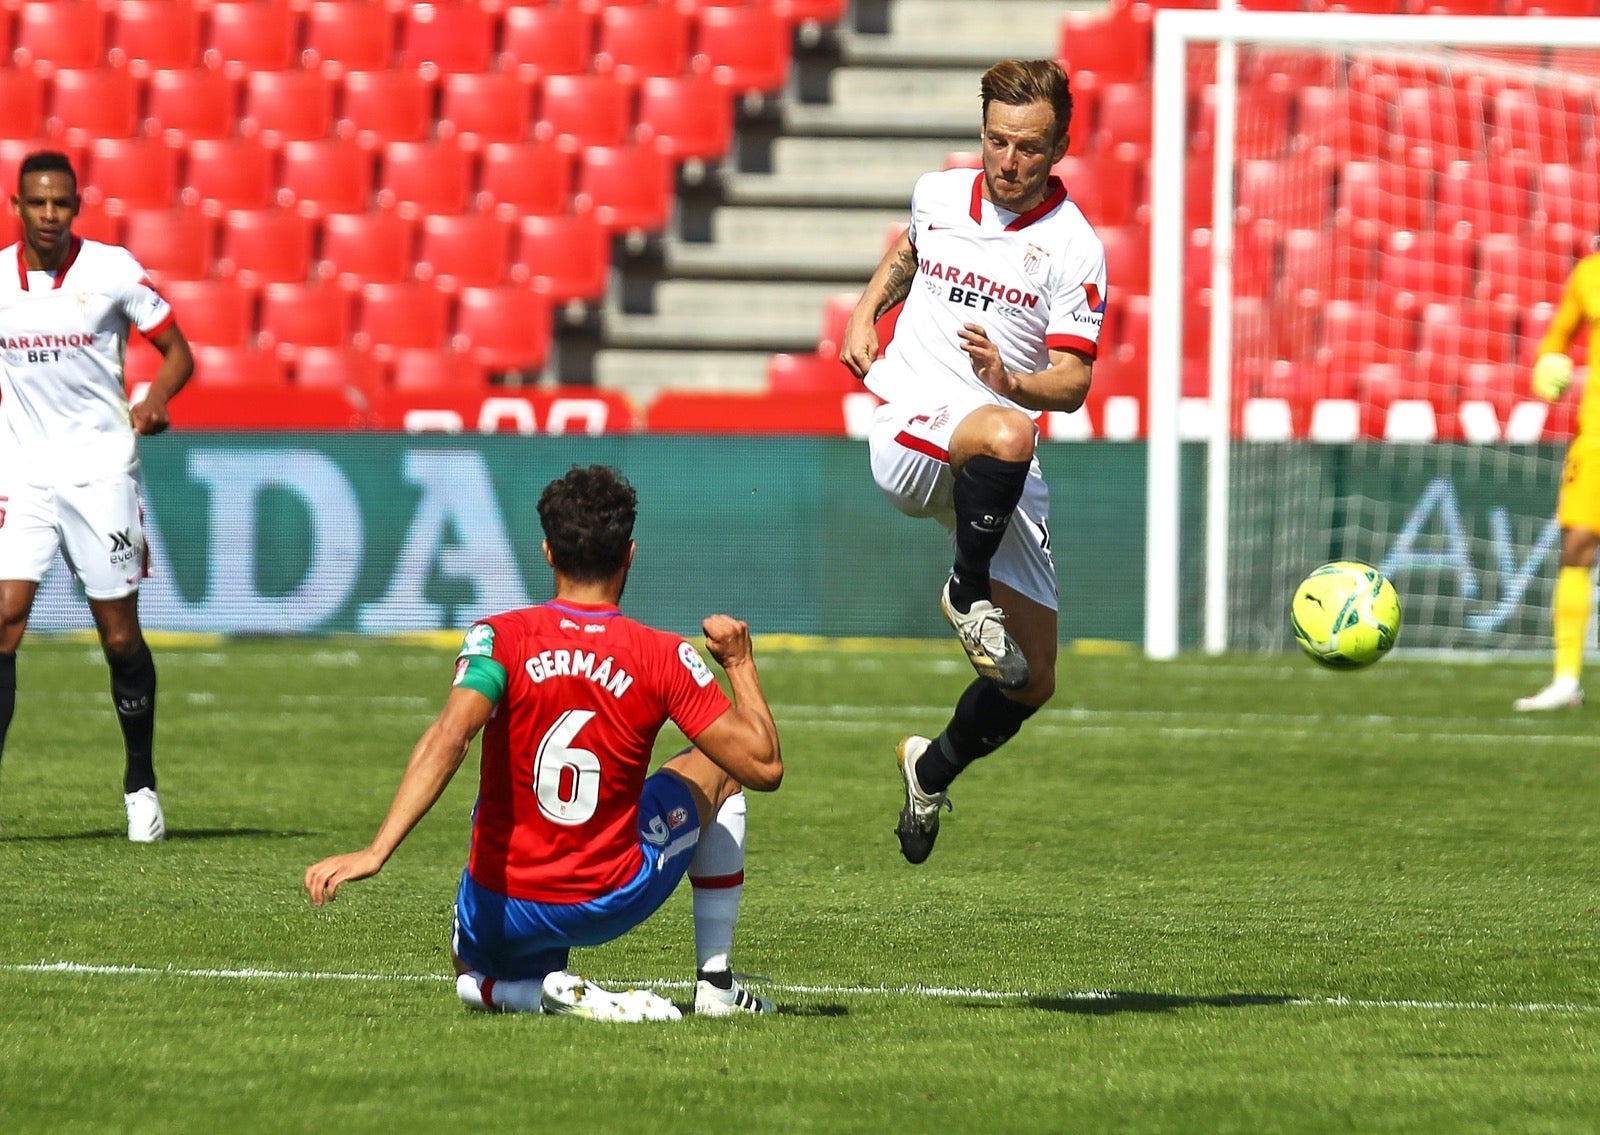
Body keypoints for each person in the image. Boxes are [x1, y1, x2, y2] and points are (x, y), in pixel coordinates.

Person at [305, 465, 783, 1021]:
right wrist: (740, 663)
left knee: (470, 973)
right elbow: (764, 766)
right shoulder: (662, 655)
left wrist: (376, 850)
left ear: (548, 553)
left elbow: (450, 737)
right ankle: (717, 985)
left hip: (504, 904)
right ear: (629, 555)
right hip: (609, 896)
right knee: (716, 769)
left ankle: (523, 992)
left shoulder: (498, 639)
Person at [839, 60, 1105, 864]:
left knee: (1032, 680)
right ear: (980, 132)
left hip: (996, 446)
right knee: (1007, 435)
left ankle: (931, 767)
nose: (1007, 160)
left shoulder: (1073, 246)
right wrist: (866, 309)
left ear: (1059, 143)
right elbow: (912, 249)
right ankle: (966, 590)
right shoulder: (939, 192)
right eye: (995, 140)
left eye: (1027, 146)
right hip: (914, 428)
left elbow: (1075, 380)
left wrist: (1013, 380)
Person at [0, 150, 194, 841]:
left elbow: (179, 351)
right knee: (5, 616)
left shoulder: (110, 270)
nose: (49, 214)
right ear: (17, 206)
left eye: (61, 203)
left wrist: (156, 398)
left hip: (101, 473)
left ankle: (140, 780)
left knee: (118, 638)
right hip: (21, 476)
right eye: (37, 203)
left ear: (75, 207)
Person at [1516, 246, 1600, 711]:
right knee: (1576, 546)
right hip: (1596, 437)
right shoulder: (1589, 274)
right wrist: (1549, 361)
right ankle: (1566, 681)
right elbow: (1559, 336)